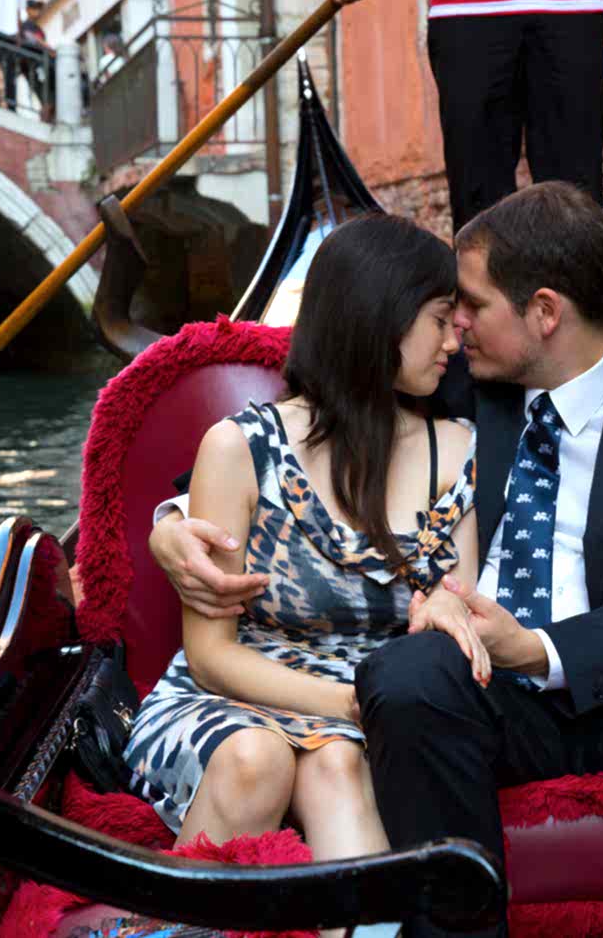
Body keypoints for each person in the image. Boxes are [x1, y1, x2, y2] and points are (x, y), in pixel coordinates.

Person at [150, 182, 603, 938]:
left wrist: (545, 647)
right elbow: (320, 406)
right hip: (487, 692)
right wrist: (174, 522)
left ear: (545, 313)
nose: (455, 326)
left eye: (473, 305)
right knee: (408, 671)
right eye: (447, 313)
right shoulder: (452, 372)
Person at [126, 215, 483, 879]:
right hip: (233, 697)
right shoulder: (239, 448)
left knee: (338, 760)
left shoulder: (456, 451)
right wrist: (348, 702)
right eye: (439, 320)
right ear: (381, 317)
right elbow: (209, 654)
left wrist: (379, 695)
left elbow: (453, 611)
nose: (453, 343)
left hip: (376, 711)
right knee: (255, 759)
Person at [329, 0, 603, 230]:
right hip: (465, 14)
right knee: (477, 187)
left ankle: (576, 285)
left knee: (575, 185)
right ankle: (483, 286)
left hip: (568, 7)